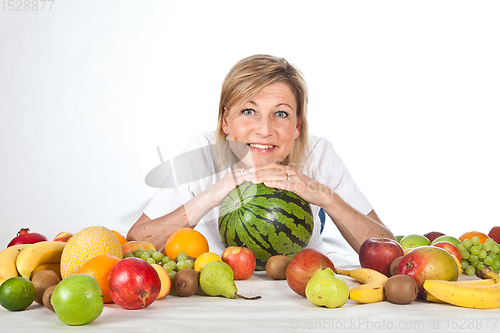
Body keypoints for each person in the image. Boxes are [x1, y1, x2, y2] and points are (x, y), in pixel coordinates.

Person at [127, 54, 395, 259]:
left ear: (297, 126)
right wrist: (211, 195)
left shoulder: (319, 154)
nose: (265, 130)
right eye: (248, 111)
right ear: (225, 120)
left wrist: (325, 196)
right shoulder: (203, 153)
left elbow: (389, 249)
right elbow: (136, 240)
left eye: (280, 114)